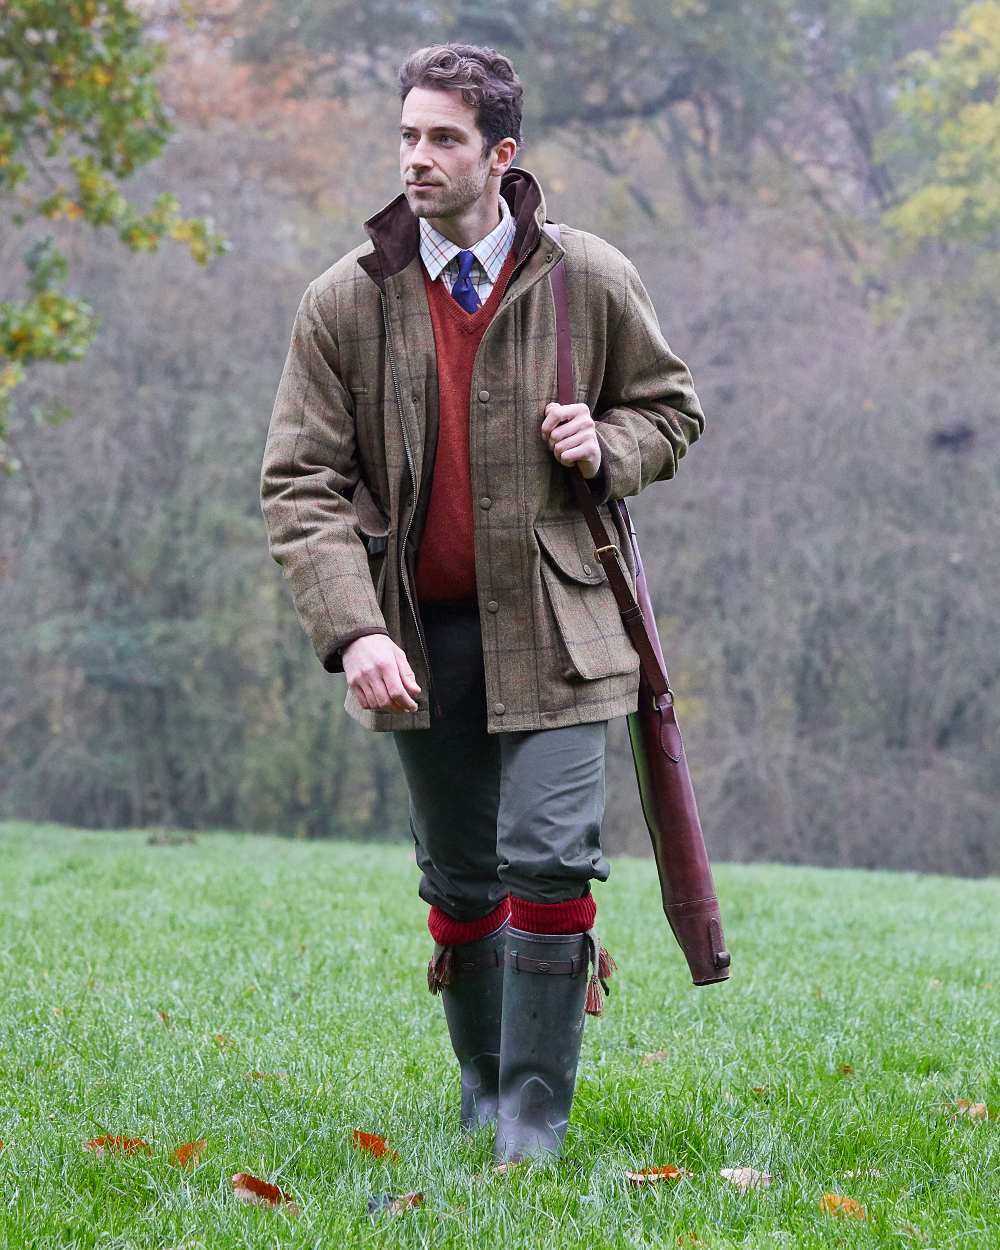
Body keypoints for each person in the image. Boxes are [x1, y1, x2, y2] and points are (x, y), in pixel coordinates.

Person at [260, 42, 706, 1164]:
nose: (417, 156)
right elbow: (298, 482)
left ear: (500, 155)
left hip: (563, 629)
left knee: (549, 859)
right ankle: (482, 1089)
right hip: (416, 634)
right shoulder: (345, 300)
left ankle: (530, 1128)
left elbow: (672, 410)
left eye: (443, 138)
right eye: (407, 134)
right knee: (459, 878)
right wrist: (352, 626)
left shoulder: (587, 275)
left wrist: (602, 444)